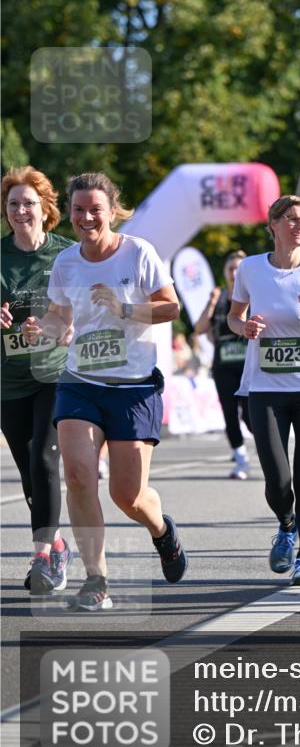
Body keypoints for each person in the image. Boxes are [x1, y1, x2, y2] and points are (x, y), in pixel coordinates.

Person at [22, 172, 188, 611]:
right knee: (78, 476)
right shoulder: (67, 263)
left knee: (127, 495)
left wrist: (125, 308)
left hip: (134, 387)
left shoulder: (138, 253)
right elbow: (61, 319)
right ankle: (96, 580)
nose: (86, 218)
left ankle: (162, 531)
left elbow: (171, 306)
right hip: (81, 382)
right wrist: (42, 328)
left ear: (113, 211)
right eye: (78, 210)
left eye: (95, 209)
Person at [227, 196, 300, 586]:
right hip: (264, 387)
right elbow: (233, 317)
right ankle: (287, 524)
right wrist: (244, 327)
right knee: (277, 481)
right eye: (292, 219)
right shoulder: (250, 268)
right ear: (273, 225)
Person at [1, 167, 74, 594]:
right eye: (13, 204)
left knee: (44, 461)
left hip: (55, 373)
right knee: (30, 474)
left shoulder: (67, 255)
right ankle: (58, 545)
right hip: (9, 379)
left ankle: (42, 559)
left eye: (29, 203)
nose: (21, 211)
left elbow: (86, 309)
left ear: (45, 208)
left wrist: (63, 326)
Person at [194, 250, 252, 479]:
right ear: (225, 272)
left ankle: (268, 450)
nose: (234, 273)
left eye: (239, 268)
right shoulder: (217, 298)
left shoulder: (253, 295)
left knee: (250, 415)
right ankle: (241, 459)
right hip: (224, 366)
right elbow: (200, 329)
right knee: (229, 413)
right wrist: (210, 303)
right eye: (231, 268)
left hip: (249, 365)